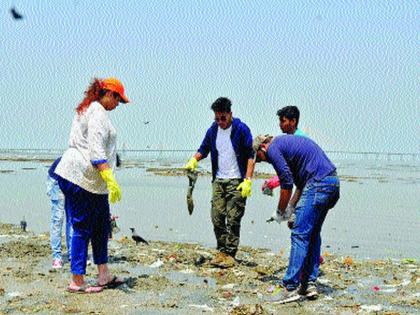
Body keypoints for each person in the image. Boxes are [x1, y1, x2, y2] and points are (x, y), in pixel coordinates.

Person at [54, 77, 129, 293]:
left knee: (101, 227)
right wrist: (110, 178)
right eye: (118, 100)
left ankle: (104, 275)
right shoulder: (96, 110)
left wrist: (106, 180)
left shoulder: (91, 108)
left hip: (94, 182)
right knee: (82, 227)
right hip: (81, 178)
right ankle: (77, 281)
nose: (118, 105)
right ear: (109, 94)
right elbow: (96, 150)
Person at [253, 134, 340, 303]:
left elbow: (286, 183)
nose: (264, 161)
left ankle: (290, 287)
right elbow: (300, 186)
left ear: (262, 147)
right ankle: (309, 284)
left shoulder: (273, 148)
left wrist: (279, 211)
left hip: (318, 184)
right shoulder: (287, 147)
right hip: (332, 183)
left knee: (299, 235)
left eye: (260, 158)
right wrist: (290, 210)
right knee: (313, 234)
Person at [185, 97, 254, 268]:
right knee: (217, 217)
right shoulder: (213, 130)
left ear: (230, 114)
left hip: (236, 181)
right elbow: (204, 149)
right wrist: (193, 160)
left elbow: (251, 155)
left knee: (233, 218)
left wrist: (248, 180)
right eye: (217, 118)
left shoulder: (241, 129)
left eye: (223, 118)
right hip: (218, 180)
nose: (220, 122)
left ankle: (230, 254)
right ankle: (222, 251)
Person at [262, 106, 308, 196]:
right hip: (303, 184)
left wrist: (271, 183)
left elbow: (289, 171)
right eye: (280, 121)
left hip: (309, 184)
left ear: (293, 121)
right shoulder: (290, 140)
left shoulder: (298, 139)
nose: (280, 124)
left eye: (283, 121)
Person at [47, 157, 72, 269]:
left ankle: (73, 254)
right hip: (56, 180)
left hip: (72, 181)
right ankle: (57, 256)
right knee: (58, 219)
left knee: (72, 219)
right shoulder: (89, 160)